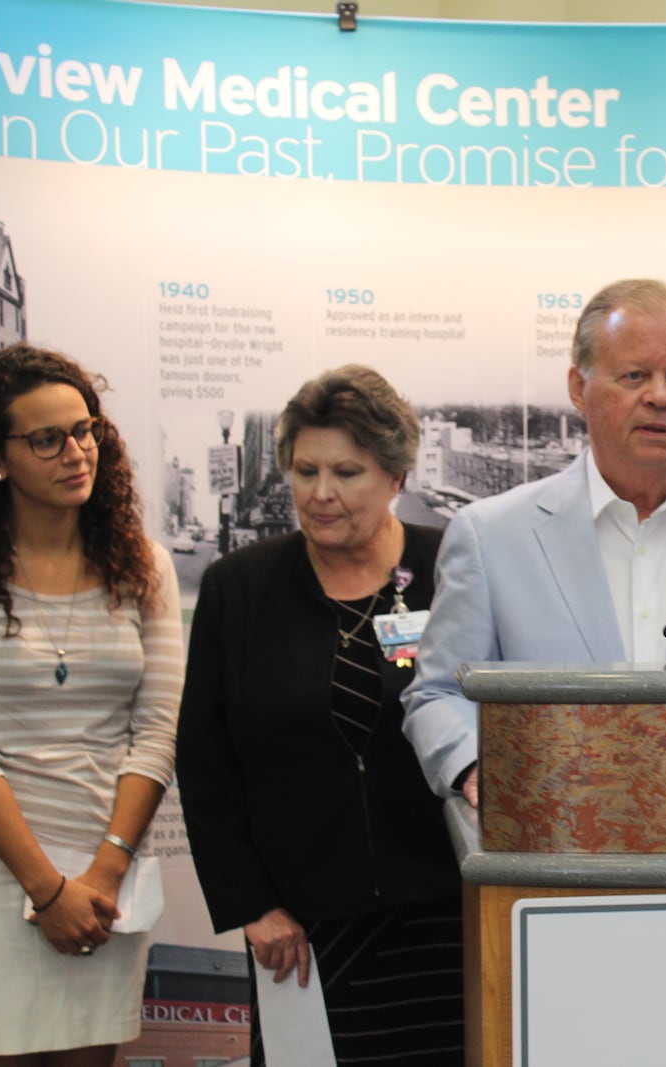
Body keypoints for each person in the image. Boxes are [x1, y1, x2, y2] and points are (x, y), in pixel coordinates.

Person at [402, 278, 666, 803]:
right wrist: (476, 764)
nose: (660, 397)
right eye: (635, 375)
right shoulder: (491, 537)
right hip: (555, 847)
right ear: (579, 387)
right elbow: (438, 694)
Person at [176, 366, 464, 1065]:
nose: (321, 493)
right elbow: (205, 761)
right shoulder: (238, 589)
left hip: (448, 921)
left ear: (395, 475)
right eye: (305, 470)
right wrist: (252, 905)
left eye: (346, 471)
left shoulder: (453, 567)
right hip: (300, 933)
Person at [0, 344, 182, 1062]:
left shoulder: (143, 563)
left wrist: (102, 873)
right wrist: (45, 887)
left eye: (85, 429)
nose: (76, 452)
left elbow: (157, 733)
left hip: (104, 873)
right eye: (47, 439)